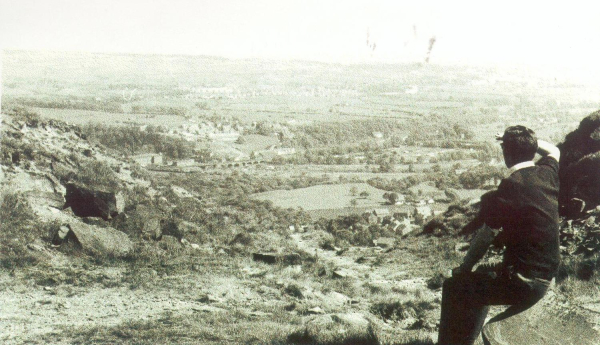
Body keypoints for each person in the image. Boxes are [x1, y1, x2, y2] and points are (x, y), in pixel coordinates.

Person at [437, 125, 561, 345]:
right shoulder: (547, 173)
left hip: (524, 283)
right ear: (532, 149)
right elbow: (553, 150)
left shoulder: (509, 186)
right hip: (547, 274)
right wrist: (528, 141)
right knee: (483, 275)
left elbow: (485, 236)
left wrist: (464, 268)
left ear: (506, 152)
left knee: (455, 286)